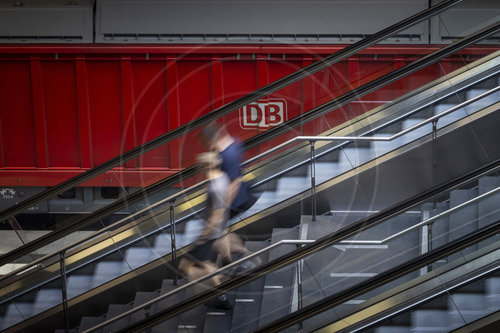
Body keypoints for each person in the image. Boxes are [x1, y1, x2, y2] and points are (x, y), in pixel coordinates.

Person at [199, 122, 261, 272]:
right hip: (228, 199)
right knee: (220, 233)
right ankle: (238, 258)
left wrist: (224, 206)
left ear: (210, 140)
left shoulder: (227, 155)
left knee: (218, 233)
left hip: (231, 200)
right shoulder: (233, 143)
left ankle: (232, 261)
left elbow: (235, 182)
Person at [178, 152, 232, 309]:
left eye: (200, 166)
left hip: (210, 233)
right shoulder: (223, 178)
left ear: (206, 167)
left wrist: (204, 235)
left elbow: (216, 214)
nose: (198, 169)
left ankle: (220, 294)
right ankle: (220, 290)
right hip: (218, 229)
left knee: (185, 265)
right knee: (205, 264)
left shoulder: (214, 187)